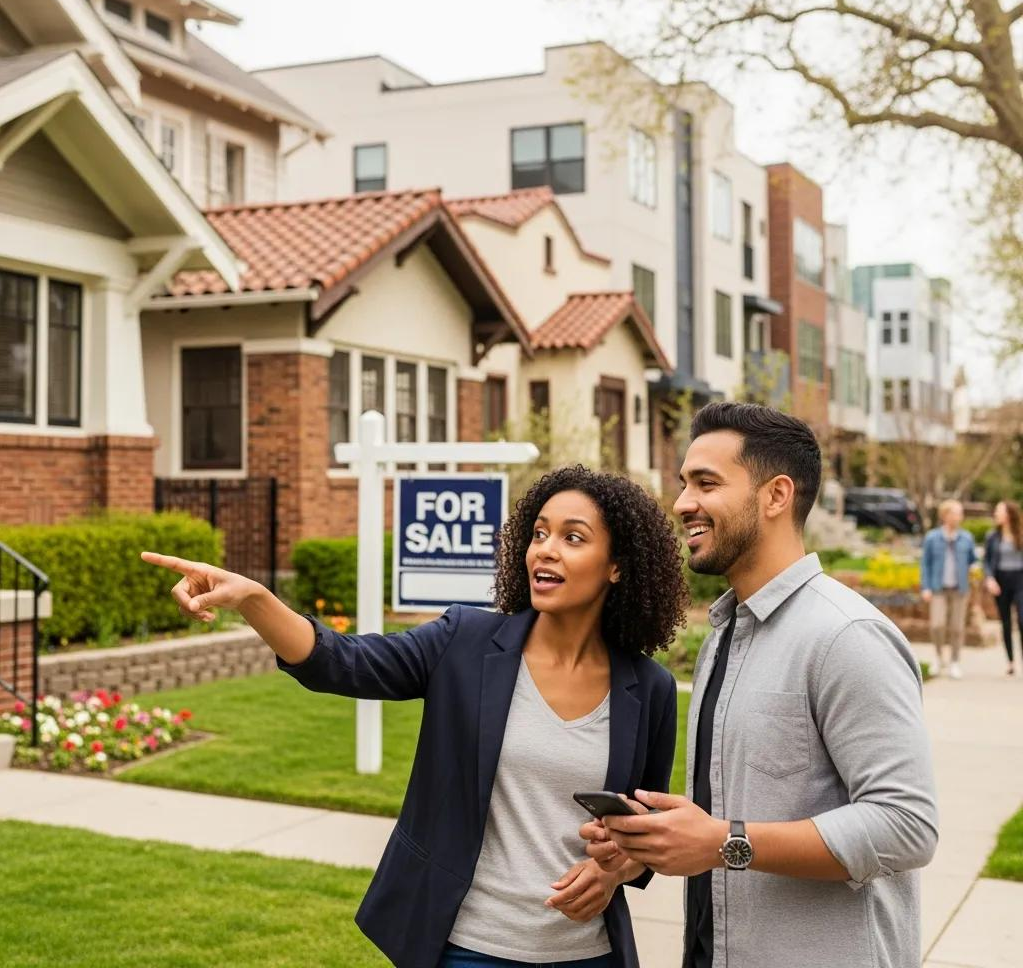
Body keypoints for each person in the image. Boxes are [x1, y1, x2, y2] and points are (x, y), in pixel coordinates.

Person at [142, 465, 686, 968]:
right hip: (468, 947)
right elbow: (344, 663)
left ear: (617, 566)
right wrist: (257, 600)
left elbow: (644, 835)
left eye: (573, 538)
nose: (545, 551)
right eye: (539, 533)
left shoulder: (650, 689)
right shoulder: (465, 642)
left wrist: (615, 869)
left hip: (586, 954)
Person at [580, 402, 938, 968]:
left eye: (706, 483)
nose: (682, 503)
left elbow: (906, 826)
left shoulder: (847, 636)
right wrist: (652, 848)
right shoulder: (725, 634)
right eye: (684, 483)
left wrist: (724, 840)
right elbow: (729, 817)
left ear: (776, 495)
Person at [921, 498, 977, 679]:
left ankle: (955, 661)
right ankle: (938, 658)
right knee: (937, 625)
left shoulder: (966, 537)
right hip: (938, 588)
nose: (959, 516)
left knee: (957, 627)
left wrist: (975, 567)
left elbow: (973, 559)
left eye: (960, 513)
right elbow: (925, 564)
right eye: (956, 513)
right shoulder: (932, 537)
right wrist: (926, 587)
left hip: (960, 589)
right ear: (945, 515)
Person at [983, 499, 1023, 676]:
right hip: (1001, 581)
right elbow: (986, 561)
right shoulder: (992, 536)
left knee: (1022, 620)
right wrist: (990, 579)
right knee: (1005, 622)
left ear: (1009, 514)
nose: (996, 514)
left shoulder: (1020, 533)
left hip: (1020, 579)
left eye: (999, 511)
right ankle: (1011, 661)